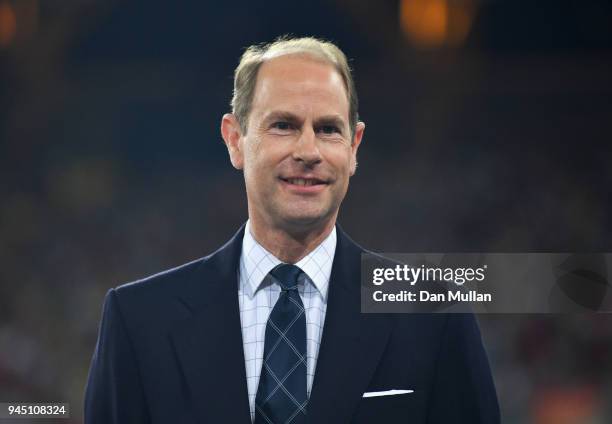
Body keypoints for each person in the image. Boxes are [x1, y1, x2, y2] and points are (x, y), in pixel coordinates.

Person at [84, 36, 500, 423]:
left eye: (328, 129)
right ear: (235, 139)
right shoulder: (139, 321)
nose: (308, 151)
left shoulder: (434, 316)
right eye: (283, 125)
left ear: (354, 148)